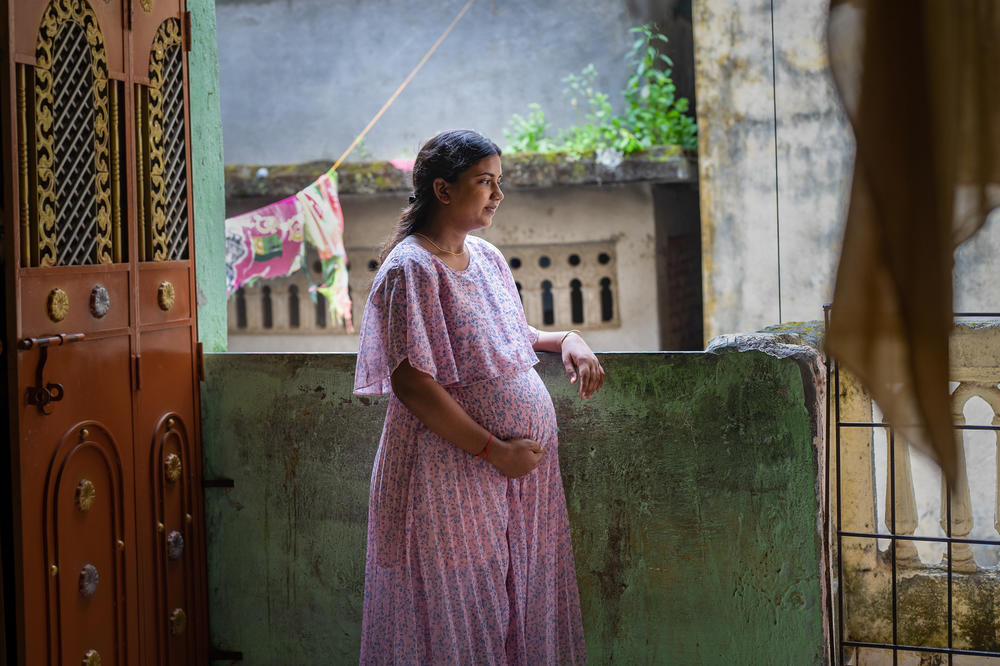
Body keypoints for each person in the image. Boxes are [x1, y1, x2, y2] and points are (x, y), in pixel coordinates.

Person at [353, 129, 605, 664]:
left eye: (499, 182)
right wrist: (496, 450)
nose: (497, 194)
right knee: (457, 616)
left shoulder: (486, 257)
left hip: (512, 480)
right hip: (447, 475)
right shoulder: (411, 269)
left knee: (511, 604)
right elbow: (413, 383)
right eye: (484, 182)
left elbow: (511, 335)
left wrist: (569, 340)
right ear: (443, 190)